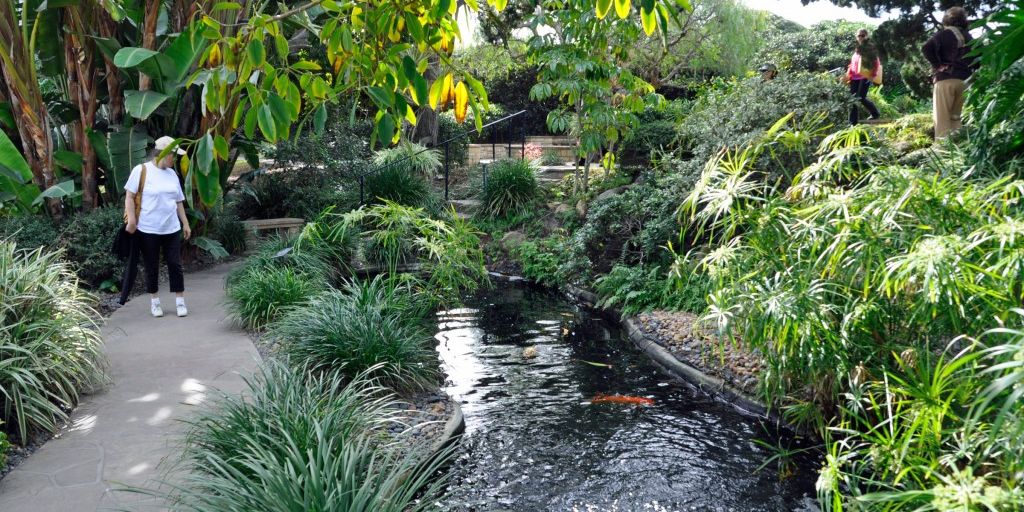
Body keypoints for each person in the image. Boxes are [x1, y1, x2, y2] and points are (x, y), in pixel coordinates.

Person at [124, 136, 192, 318]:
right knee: (151, 265)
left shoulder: (173, 175)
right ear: (163, 153)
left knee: (175, 264)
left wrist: (185, 223)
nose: (174, 159)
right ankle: (155, 302)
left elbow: (178, 201)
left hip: (171, 228)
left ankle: (180, 301)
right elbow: (129, 197)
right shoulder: (141, 171)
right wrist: (131, 220)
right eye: (173, 155)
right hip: (148, 229)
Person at [922, 6, 974, 138]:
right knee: (955, 118)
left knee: (942, 119)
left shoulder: (943, 34)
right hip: (965, 81)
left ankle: (942, 152)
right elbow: (979, 58)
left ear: (947, 19)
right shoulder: (968, 36)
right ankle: (958, 149)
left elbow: (926, 48)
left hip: (946, 79)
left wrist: (938, 65)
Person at [846, 28, 882, 125]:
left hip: (865, 76)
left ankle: (875, 113)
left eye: (863, 35)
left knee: (861, 97)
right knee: (852, 98)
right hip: (854, 77)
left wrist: (873, 75)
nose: (861, 37)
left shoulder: (869, 48)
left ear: (867, 36)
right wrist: (848, 74)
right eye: (859, 35)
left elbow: (876, 62)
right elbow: (853, 63)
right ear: (856, 37)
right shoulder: (857, 49)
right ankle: (852, 123)